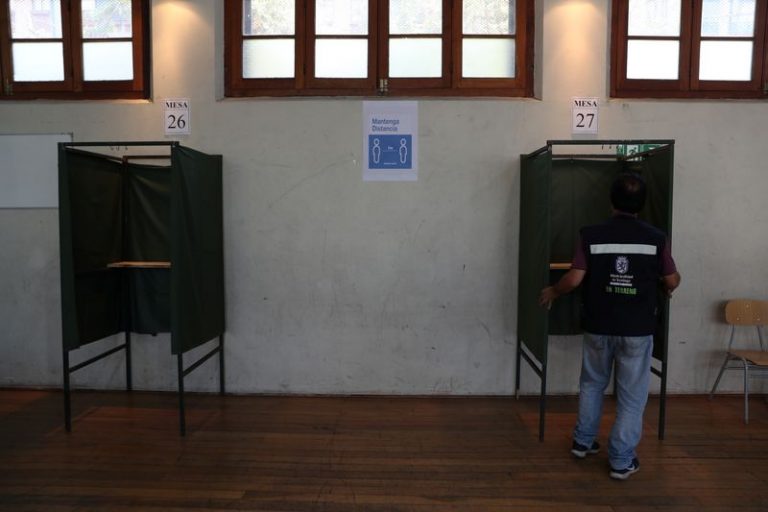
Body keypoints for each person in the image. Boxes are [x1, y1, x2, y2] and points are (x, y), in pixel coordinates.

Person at [538, 172, 680, 480]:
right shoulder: (656, 238)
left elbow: (574, 278)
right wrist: (669, 285)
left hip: (599, 324)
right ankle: (620, 460)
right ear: (641, 204)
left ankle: (583, 442)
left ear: (611, 201)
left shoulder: (590, 234)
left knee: (592, 383)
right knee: (631, 396)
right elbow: (671, 280)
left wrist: (553, 291)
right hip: (637, 330)